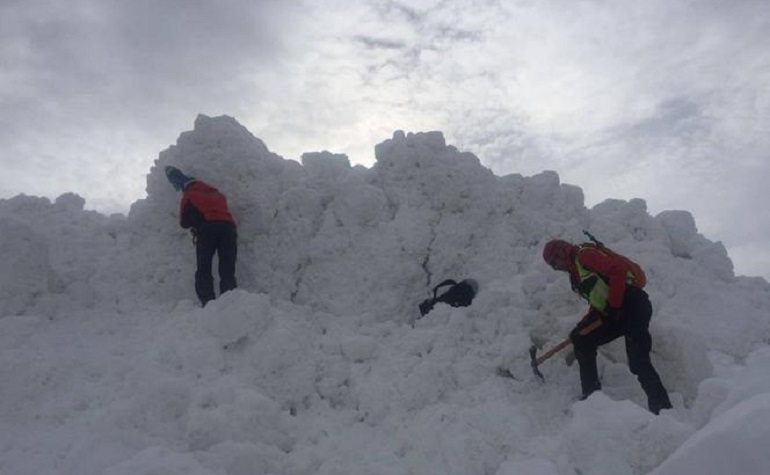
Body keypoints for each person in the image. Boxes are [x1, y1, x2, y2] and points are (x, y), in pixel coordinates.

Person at [542, 239, 673, 414]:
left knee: (638, 362)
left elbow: (617, 271)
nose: (555, 268)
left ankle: (663, 409)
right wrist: (582, 326)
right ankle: (591, 398)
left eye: (553, 263)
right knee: (583, 339)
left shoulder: (585, 256)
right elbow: (598, 300)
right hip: (615, 312)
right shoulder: (576, 273)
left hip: (633, 306)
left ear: (560, 253)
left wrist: (614, 305)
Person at [165, 166, 238, 307]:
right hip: (228, 229)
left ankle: (208, 303)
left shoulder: (189, 195)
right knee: (227, 268)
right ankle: (230, 304)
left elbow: (184, 222)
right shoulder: (217, 193)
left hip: (208, 230)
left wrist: (196, 222)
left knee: (204, 267)